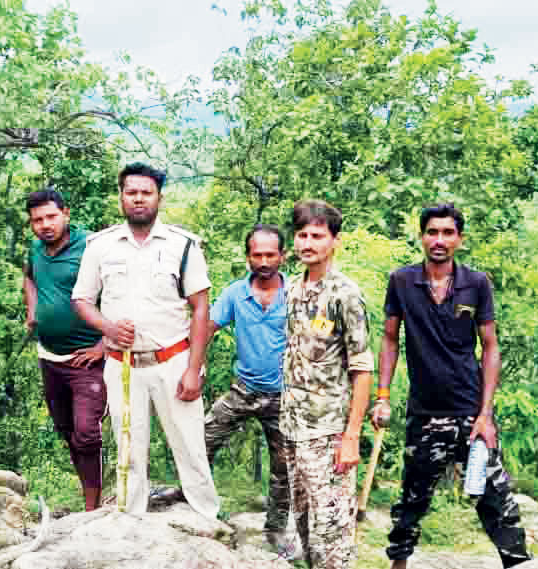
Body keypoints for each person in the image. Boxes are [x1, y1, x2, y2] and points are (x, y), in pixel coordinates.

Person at [371, 203, 530, 568]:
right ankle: (398, 565)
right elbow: (390, 339)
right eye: (432, 232)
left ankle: (518, 564)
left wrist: (486, 415)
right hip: (424, 413)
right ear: (422, 236)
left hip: (471, 414)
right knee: (412, 501)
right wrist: (382, 397)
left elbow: (490, 347)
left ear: (459, 238)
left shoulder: (476, 284)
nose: (439, 240)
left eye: (447, 232)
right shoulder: (401, 281)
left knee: (496, 500)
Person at [71, 162, 220, 519]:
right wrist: (107, 328)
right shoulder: (100, 246)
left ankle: (206, 520)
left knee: (189, 445)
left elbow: (201, 309)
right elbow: (81, 300)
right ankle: (130, 520)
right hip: (122, 365)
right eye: (131, 192)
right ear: (121, 196)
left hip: (173, 361)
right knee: (129, 448)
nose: (139, 199)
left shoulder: (183, 246)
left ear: (159, 198)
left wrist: (193, 369)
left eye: (146, 193)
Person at [281, 199, 374, 569]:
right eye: (302, 234)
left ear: (334, 240)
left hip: (328, 433)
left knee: (333, 536)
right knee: (304, 532)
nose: (308, 243)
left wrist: (351, 436)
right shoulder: (292, 289)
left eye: (317, 235)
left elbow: (361, 368)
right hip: (292, 427)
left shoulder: (345, 294)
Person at [202, 224, 291, 549]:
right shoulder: (235, 293)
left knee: (284, 468)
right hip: (244, 389)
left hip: (286, 396)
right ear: (248, 257)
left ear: (283, 255)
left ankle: (276, 530)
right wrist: (197, 364)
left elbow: (318, 337)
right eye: (258, 254)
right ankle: (195, 502)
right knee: (202, 439)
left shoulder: (296, 293)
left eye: (271, 254)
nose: (264, 260)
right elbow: (208, 326)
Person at [23, 188, 107, 511]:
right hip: (49, 357)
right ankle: (92, 497)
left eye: (51, 217)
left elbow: (119, 294)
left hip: (87, 358)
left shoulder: (91, 246)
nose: (45, 225)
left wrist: (105, 343)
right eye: (37, 220)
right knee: (68, 430)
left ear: (66, 214)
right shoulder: (35, 248)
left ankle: (92, 510)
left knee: (87, 432)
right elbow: (29, 279)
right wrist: (33, 311)